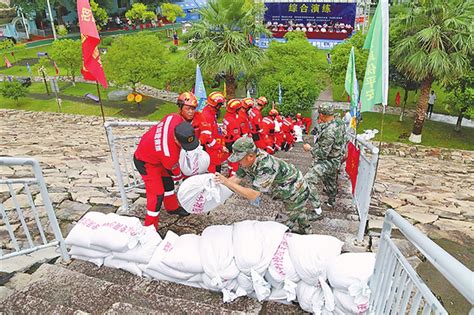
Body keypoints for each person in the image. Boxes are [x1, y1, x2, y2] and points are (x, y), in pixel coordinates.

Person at [215, 136, 322, 234]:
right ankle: (307, 232)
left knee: (278, 226)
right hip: (287, 188)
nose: (238, 162)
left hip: (295, 191)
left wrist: (226, 182)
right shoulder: (248, 159)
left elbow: (253, 195)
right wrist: (218, 187)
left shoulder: (266, 166)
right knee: (298, 211)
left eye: (239, 159)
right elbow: (237, 178)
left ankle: (304, 236)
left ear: (250, 156)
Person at [133, 92, 198, 230]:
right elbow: (178, 175)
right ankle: (149, 228)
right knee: (157, 195)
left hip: (155, 154)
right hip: (145, 161)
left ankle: (172, 208)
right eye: (188, 108)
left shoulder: (174, 118)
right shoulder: (170, 155)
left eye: (193, 108)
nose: (191, 112)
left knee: (167, 182)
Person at [303, 103, 346, 208]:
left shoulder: (328, 133)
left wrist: (309, 148)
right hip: (337, 158)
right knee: (330, 182)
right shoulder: (340, 122)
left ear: (321, 115)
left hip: (328, 161)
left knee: (307, 180)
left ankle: (317, 209)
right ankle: (332, 202)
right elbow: (329, 125)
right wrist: (318, 128)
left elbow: (322, 154)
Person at [192, 91, 227, 173]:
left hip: (213, 146)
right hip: (210, 148)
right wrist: (220, 147)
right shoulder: (207, 116)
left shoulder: (211, 112)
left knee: (217, 164)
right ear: (216, 105)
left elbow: (213, 126)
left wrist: (220, 130)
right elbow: (208, 138)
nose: (220, 107)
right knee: (214, 168)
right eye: (220, 105)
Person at [223, 99, 245, 176]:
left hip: (227, 141)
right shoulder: (233, 121)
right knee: (235, 161)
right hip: (232, 142)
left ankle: (230, 172)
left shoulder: (226, 117)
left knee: (230, 159)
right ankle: (233, 176)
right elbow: (236, 136)